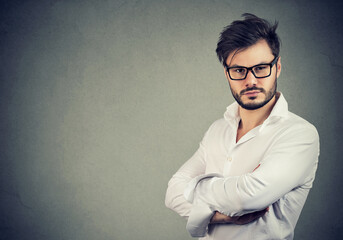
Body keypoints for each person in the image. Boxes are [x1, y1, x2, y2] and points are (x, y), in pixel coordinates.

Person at [165, 13, 319, 240]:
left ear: (277, 67)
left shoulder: (300, 134)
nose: (251, 81)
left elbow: (247, 198)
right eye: (239, 70)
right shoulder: (217, 130)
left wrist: (196, 189)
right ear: (227, 74)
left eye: (260, 68)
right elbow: (172, 193)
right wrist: (219, 216)